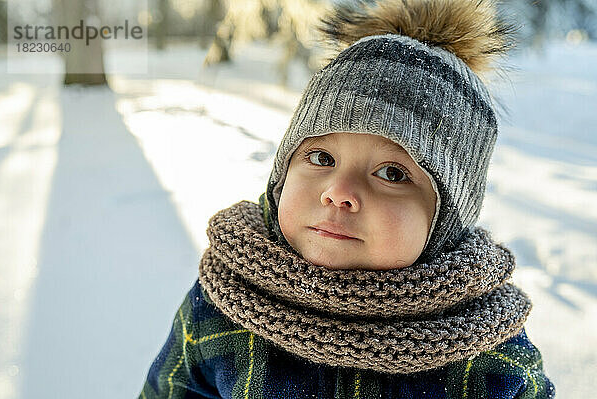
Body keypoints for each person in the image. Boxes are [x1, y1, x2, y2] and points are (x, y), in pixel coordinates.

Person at [138, 0, 555, 397]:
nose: (339, 192)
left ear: (445, 222)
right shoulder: (224, 301)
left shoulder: (486, 349)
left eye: (392, 174)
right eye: (321, 157)